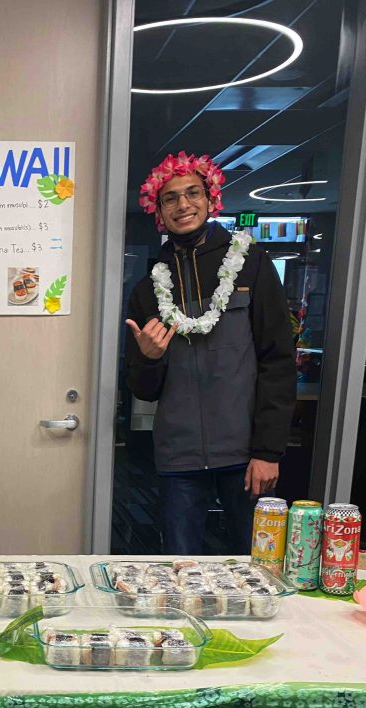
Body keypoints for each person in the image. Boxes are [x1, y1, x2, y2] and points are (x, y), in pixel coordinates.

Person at [125, 151, 296, 555]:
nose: (183, 205)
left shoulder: (250, 265)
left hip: (246, 452)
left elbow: (278, 361)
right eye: (170, 198)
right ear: (158, 210)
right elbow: (144, 390)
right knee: (180, 567)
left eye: (192, 193)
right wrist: (148, 357)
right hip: (179, 456)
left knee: (255, 566)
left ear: (210, 198)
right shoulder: (149, 289)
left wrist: (268, 451)